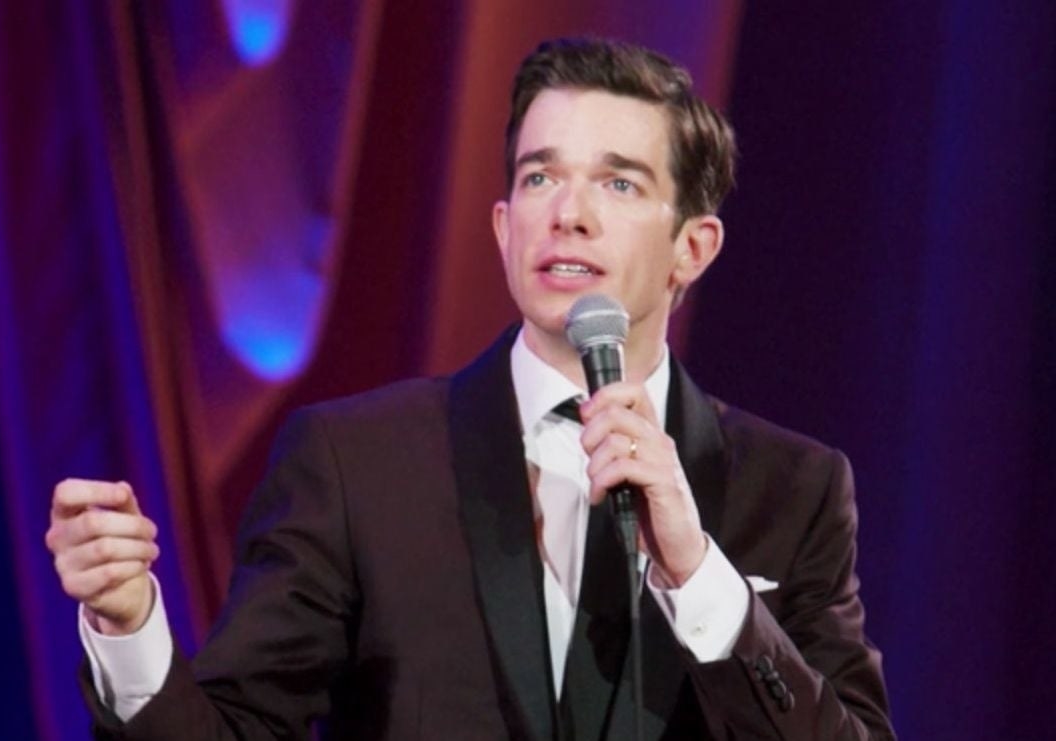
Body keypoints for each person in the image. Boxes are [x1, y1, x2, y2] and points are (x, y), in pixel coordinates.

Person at [46, 38, 894, 739]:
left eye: (620, 182)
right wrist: (130, 628)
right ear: (503, 228)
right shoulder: (360, 465)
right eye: (539, 177)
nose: (569, 212)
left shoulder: (792, 489)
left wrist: (700, 575)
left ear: (693, 247)